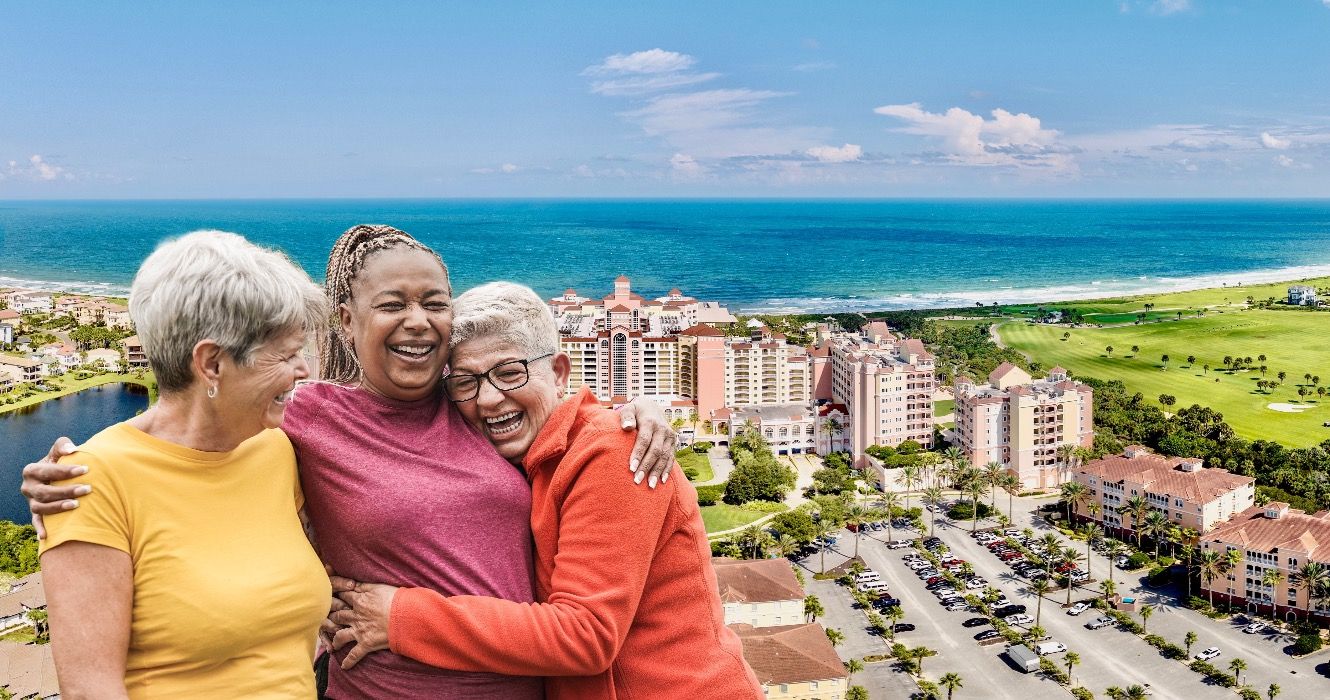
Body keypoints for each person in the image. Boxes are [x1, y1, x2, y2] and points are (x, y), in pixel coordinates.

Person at [23, 224, 678, 699]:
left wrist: (638, 408)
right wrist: (76, 466)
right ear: (345, 319)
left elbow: (546, 404)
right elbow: (194, 428)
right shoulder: (303, 417)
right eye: (392, 304)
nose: (418, 321)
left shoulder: (472, 399)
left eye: (435, 303)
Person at [326, 282, 763, 700]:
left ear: (558, 372)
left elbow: (586, 635)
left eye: (510, 373)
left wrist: (402, 618)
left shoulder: (614, 451)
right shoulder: (516, 457)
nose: (489, 399)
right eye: (465, 383)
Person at [39, 231, 331, 698]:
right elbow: (92, 689)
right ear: (212, 363)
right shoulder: (90, 482)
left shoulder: (275, 447)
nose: (305, 372)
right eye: (287, 355)